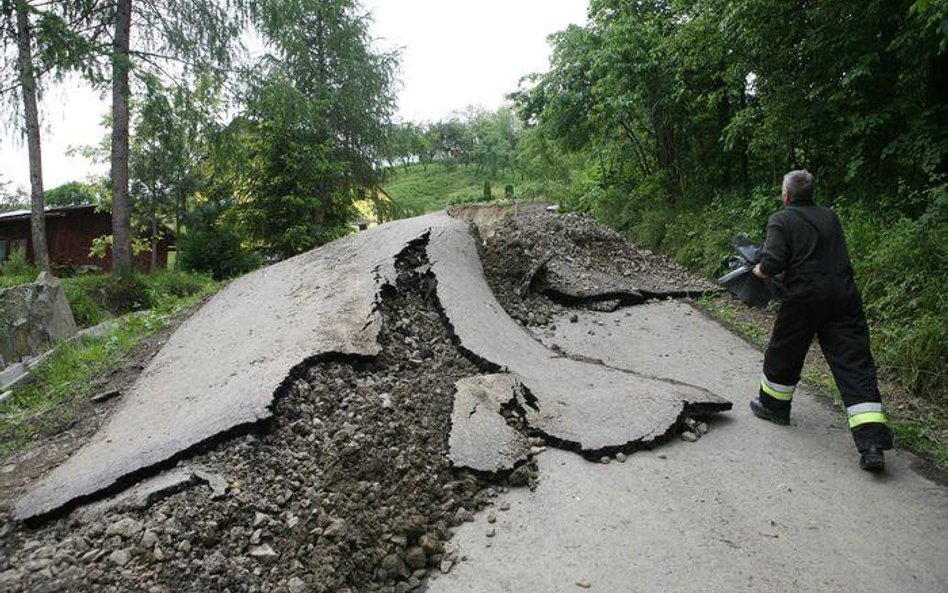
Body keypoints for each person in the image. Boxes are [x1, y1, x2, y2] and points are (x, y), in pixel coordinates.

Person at [749, 170, 893, 472]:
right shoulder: (831, 216)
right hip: (843, 295)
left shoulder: (781, 219)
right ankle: (872, 444)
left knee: (785, 351)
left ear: (787, 195)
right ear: (810, 192)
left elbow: (773, 261)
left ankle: (774, 406)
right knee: (854, 363)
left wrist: (759, 271)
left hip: (804, 296)